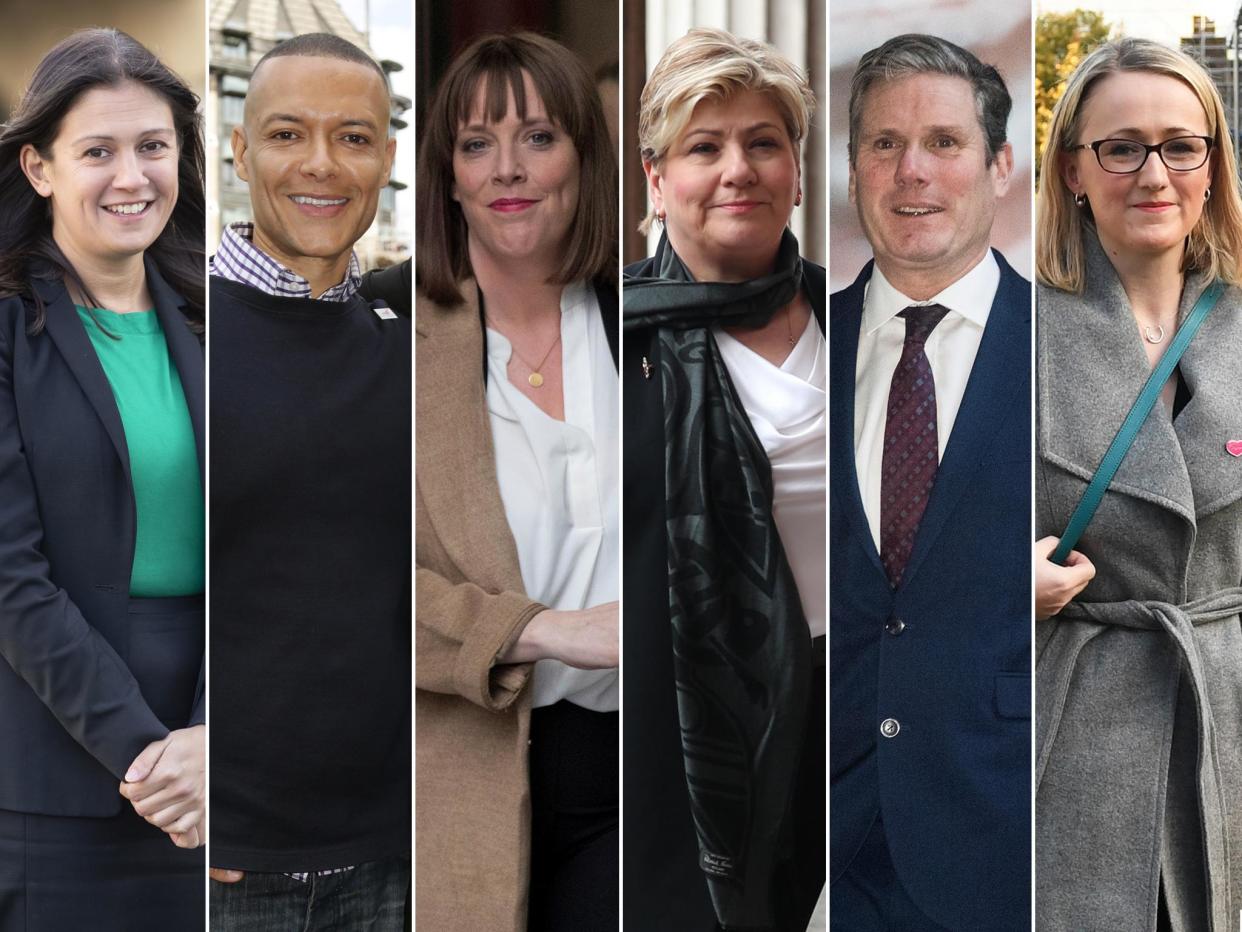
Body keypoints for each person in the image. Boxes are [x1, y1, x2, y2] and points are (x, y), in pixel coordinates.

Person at [1034, 38, 1242, 932]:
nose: (1153, 173)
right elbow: (900, 547)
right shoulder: (1006, 325)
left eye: (1179, 145)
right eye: (1121, 147)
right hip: (1065, 737)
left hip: (1229, 728)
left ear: (1211, 165)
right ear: (1075, 170)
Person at [0, 28, 205, 931]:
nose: (133, 177)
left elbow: (280, 552)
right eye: (99, 152)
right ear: (40, 167)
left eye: (152, 146)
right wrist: (153, 758)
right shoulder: (7, 330)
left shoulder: (215, 319)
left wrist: (218, 743)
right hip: (61, 777)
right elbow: (9, 579)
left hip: (221, 767)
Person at [415, 32, 619, 932]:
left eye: (538, 137)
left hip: (645, 771)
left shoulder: (651, 319)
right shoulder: (386, 338)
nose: (508, 168)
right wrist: (541, 630)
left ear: (584, 154)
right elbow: (330, 588)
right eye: (475, 143)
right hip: (462, 768)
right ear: (447, 174)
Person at [207, 32, 410, 931]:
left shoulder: (412, 340)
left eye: (354, 137)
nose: (322, 165)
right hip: (224, 864)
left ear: (387, 158)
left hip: (400, 855)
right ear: (241, 150)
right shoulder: (173, 328)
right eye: (288, 135)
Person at [623, 27, 824, 932]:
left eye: (764, 142)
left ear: (796, 168)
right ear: (658, 180)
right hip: (677, 745)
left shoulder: (867, 317)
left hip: (860, 721)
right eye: (704, 147)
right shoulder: (602, 338)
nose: (738, 168)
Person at [829, 34, 1030, 931]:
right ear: (853, 166)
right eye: (884, 144)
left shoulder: (1074, 349)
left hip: (1005, 841)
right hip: (818, 852)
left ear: (999, 167)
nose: (912, 173)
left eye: (944, 143)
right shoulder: (795, 351)